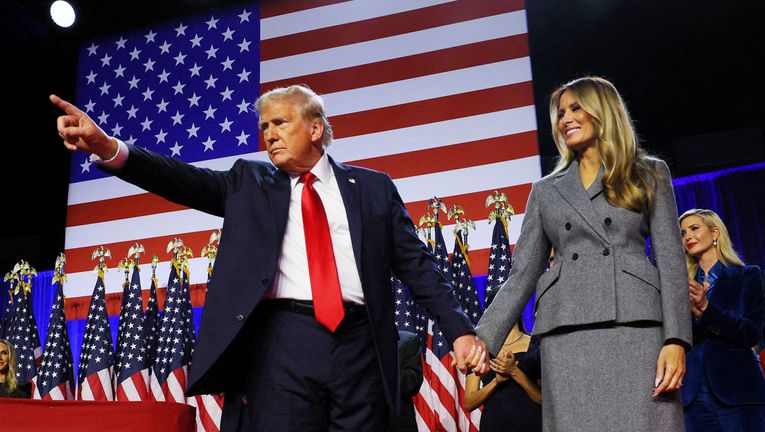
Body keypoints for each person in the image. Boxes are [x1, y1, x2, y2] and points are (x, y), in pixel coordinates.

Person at [51, 85, 488, 431]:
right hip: (283, 342)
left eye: (280, 122)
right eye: (264, 127)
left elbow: (419, 266)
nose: (270, 134)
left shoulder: (372, 187)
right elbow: (179, 179)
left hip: (362, 345)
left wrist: (461, 332)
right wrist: (107, 146)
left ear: (315, 129)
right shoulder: (249, 181)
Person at [474, 76, 692, 431]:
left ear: (602, 111)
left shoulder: (648, 173)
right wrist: (482, 340)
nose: (565, 119)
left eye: (575, 108)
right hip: (568, 332)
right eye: (560, 113)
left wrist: (676, 339)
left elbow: (670, 262)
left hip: (637, 328)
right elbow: (523, 274)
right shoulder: (545, 190)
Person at [678, 208, 765, 430]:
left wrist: (707, 309)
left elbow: (751, 333)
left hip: (738, 390)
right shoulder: (680, 286)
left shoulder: (747, 275)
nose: (687, 236)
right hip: (693, 395)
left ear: (715, 232)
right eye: (682, 233)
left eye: (694, 228)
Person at [465, 286, 542, 432]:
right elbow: (469, 403)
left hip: (532, 424)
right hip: (494, 425)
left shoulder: (535, 344)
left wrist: (514, 372)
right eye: (499, 304)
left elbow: (542, 398)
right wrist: (496, 381)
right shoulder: (480, 349)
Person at [389, 331, 423, 432]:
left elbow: (411, 385)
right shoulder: (350, 346)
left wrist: (383, 360)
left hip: (396, 423)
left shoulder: (407, 340)